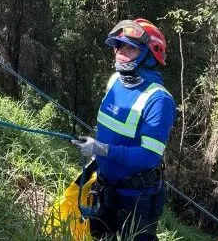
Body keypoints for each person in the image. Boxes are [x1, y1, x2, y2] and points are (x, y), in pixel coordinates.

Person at [71, 19, 175, 241]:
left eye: (130, 48)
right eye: (119, 46)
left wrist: (102, 149)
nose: (120, 52)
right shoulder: (114, 82)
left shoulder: (158, 99)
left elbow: (148, 156)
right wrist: (94, 147)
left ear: (150, 54)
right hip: (105, 190)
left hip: (136, 200)